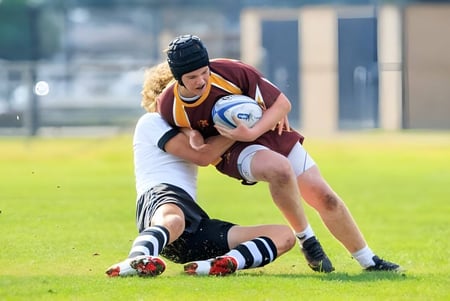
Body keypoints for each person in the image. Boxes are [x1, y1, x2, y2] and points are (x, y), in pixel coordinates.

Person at [150, 34, 401, 272]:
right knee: (279, 169)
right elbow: (187, 133)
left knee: (326, 198)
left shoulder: (230, 71)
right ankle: (308, 240)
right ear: (178, 77)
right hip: (233, 151)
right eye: (193, 77)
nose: (202, 81)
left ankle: (369, 261)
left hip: (266, 133)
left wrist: (253, 129)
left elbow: (282, 104)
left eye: (204, 72)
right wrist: (194, 134)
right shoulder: (168, 105)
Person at [105, 66, 296, 277]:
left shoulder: (197, 130)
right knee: (174, 220)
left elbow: (219, 147)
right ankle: (136, 258)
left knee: (284, 235)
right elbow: (204, 157)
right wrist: (245, 124)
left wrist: (263, 115)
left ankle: (223, 263)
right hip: (161, 200)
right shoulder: (152, 122)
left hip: (192, 224)